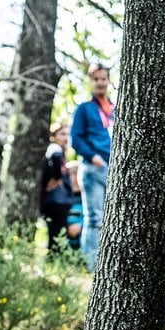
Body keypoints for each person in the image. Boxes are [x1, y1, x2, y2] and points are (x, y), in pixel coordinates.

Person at [70, 63, 114, 272]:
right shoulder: (84, 109)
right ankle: (92, 267)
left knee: (111, 218)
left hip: (113, 171)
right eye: (96, 79)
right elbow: (76, 140)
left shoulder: (114, 109)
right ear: (91, 81)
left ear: (108, 80)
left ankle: (106, 264)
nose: (100, 82)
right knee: (95, 218)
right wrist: (93, 156)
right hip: (93, 168)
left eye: (103, 78)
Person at [40, 123, 76, 254]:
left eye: (67, 134)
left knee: (55, 234)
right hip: (56, 200)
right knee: (57, 236)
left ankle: (54, 262)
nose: (66, 138)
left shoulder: (59, 150)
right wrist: (57, 178)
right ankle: (54, 262)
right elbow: (55, 160)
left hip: (57, 200)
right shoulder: (55, 149)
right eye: (62, 134)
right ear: (53, 136)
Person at [65, 161, 83, 251]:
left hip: (82, 236)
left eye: (75, 173)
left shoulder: (87, 195)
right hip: (65, 238)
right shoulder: (63, 195)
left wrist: (81, 225)